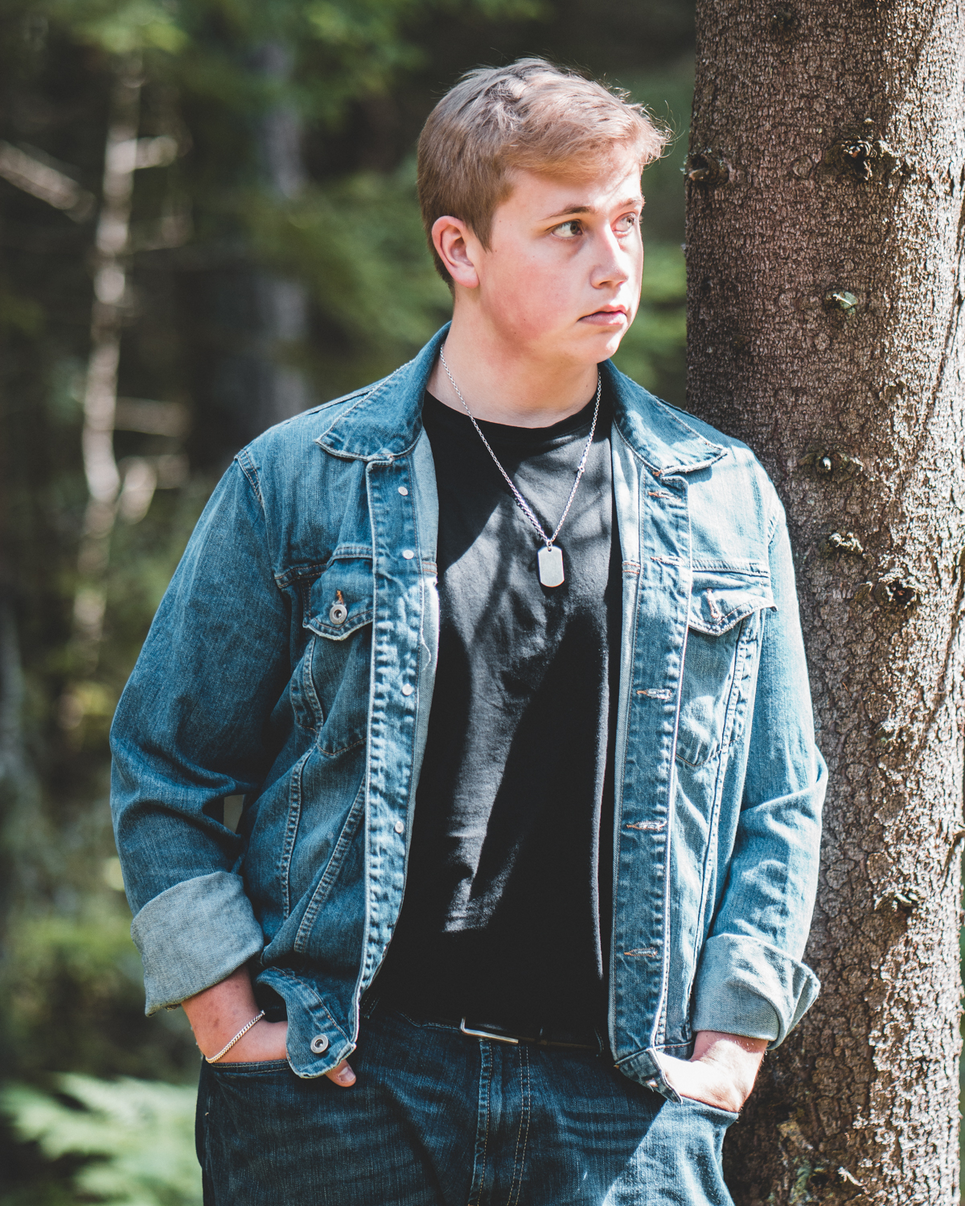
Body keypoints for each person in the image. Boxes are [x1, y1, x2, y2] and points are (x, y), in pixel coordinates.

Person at [111, 57, 825, 1206]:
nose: (614, 261)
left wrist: (732, 1042)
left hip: (621, 1105)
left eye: (627, 220)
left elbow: (778, 797)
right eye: (568, 228)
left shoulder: (718, 494)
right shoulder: (300, 481)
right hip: (345, 1092)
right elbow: (166, 762)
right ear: (461, 248)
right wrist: (226, 1015)